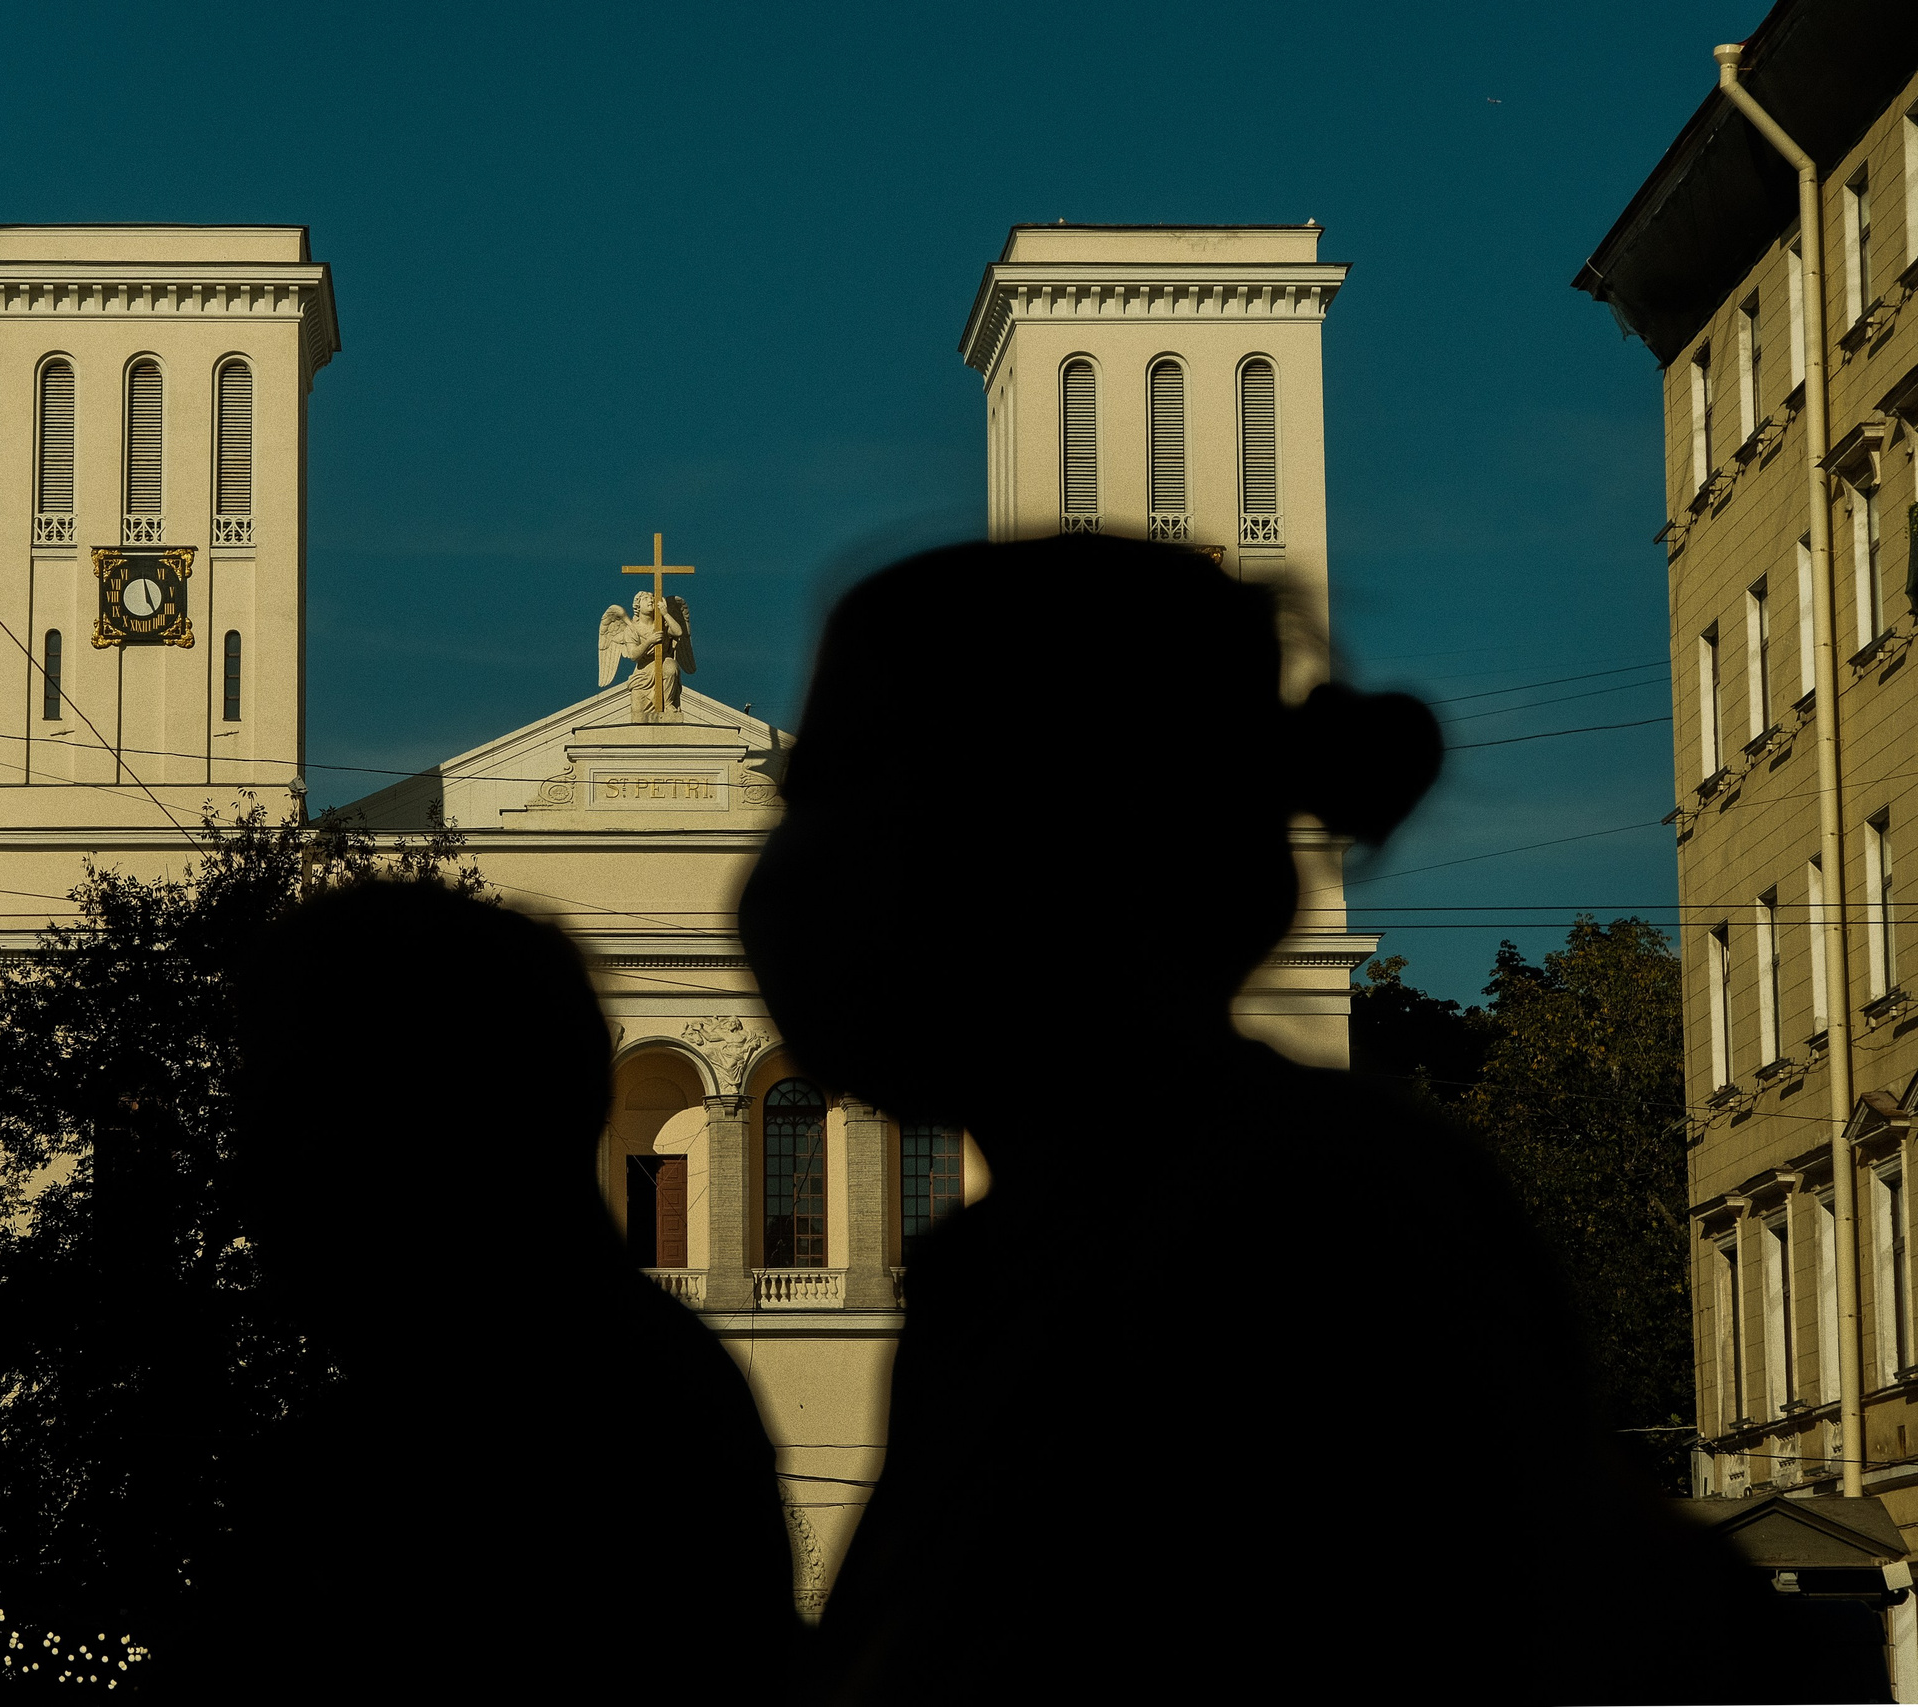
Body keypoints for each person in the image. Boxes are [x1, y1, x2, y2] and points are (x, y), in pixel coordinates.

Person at [737, 534, 1798, 1703]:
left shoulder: (1292, 1232)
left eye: (814, 794)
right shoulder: (1029, 1248)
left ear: (1020, 841)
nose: (769, 880)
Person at [223, 880, 799, 1702]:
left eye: (289, 1114)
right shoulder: (634, 1391)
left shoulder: (446, 1463)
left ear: (422, 1128)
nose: (244, 1172)